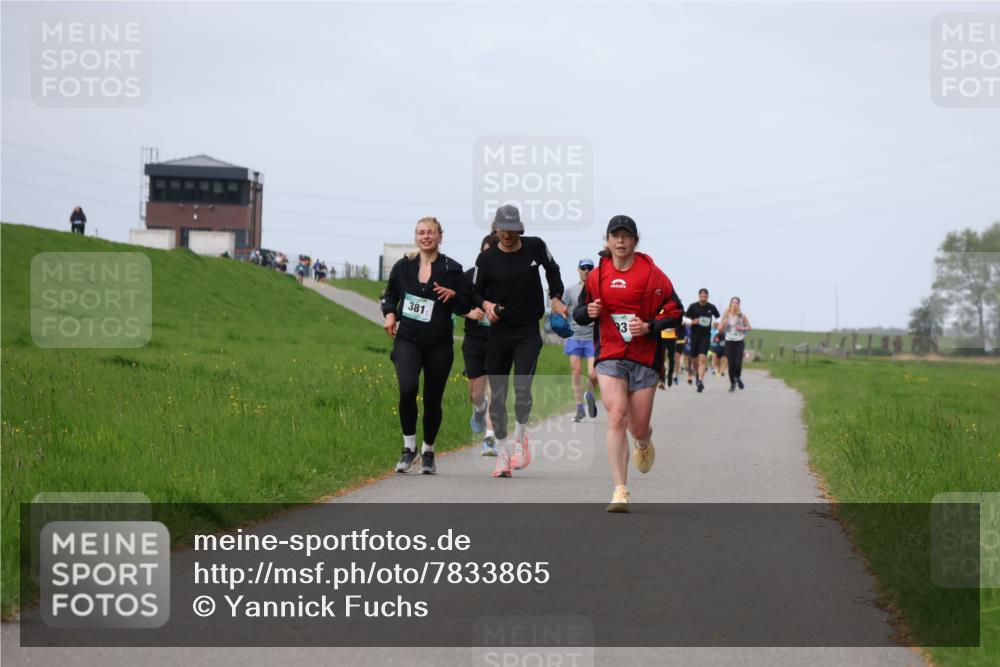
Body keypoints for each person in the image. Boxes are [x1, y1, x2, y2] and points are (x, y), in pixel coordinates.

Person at [573, 215, 683, 512]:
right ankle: (620, 490)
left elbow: (676, 311)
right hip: (610, 355)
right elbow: (579, 313)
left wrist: (649, 326)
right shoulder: (597, 276)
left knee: (638, 426)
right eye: (615, 236)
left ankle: (643, 442)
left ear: (635, 241)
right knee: (616, 416)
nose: (620, 241)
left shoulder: (653, 275)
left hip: (644, 358)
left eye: (626, 236)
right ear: (607, 241)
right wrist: (589, 311)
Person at [473, 204, 567, 478]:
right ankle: (502, 454)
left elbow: (553, 269)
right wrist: (487, 305)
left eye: (512, 230)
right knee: (498, 395)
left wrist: (556, 297)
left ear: (520, 229)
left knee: (522, 388)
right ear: (496, 229)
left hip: (527, 330)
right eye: (502, 230)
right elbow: (475, 292)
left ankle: (519, 440)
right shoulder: (486, 259)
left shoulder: (535, 247)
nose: (507, 235)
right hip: (499, 331)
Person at [381, 217, 471, 475]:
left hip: (438, 343)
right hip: (408, 339)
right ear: (416, 237)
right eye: (421, 232)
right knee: (408, 389)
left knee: (433, 399)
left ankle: (429, 451)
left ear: (440, 236)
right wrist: (390, 314)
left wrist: (454, 296)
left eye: (431, 232)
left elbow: (466, 305)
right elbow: (390, 295)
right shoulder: (403, 267)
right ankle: (408, 448)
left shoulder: (452, 269)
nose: (426, 236)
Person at [463, 234, 498, 456]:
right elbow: (456, 301)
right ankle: (479, 408)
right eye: (484, 253)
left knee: (496, 389)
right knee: (476, 393)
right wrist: (468, 311)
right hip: (474, 339)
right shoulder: (469, 277)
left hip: (499, 339)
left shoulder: (507, 278)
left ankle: (489, 438)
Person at [562, 258, 599, 421]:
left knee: (593, 374)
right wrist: (561, 319)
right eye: (583, 268)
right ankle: (579, 408)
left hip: (592, 337)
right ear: (578, 270)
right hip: (575, 336)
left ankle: (589, 394)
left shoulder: (597, 290)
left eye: (589, 268)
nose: (586, 271)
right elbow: (563, 309)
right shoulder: (570, 290)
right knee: (576, 372)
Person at [685, 289, 720, 393]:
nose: (703, 298)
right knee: (694, 361)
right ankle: (697, 375)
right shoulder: (693, 306)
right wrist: (692, 322)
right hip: (694, 336)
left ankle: (700, 381)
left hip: (705, 336)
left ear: (707, 297)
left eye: (705, 296)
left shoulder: (711, 307)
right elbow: (684, 319)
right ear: (699, 296)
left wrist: (717, 325)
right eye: (702, 296)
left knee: (702, 359)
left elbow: (719, 318)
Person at [717, 296, 752, 392]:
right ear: (730, 304)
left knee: (738, 363)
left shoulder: (742, 316)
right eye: (733, 302)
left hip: (739, 342)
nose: (735, 304)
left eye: (737, 302)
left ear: (738, 305)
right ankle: (732, 383)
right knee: (731, 364)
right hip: (729, 341)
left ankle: (738, 377)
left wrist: (742, 328)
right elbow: (719, 329)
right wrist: (723, 325)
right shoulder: (726, 316)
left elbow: (749, 327)